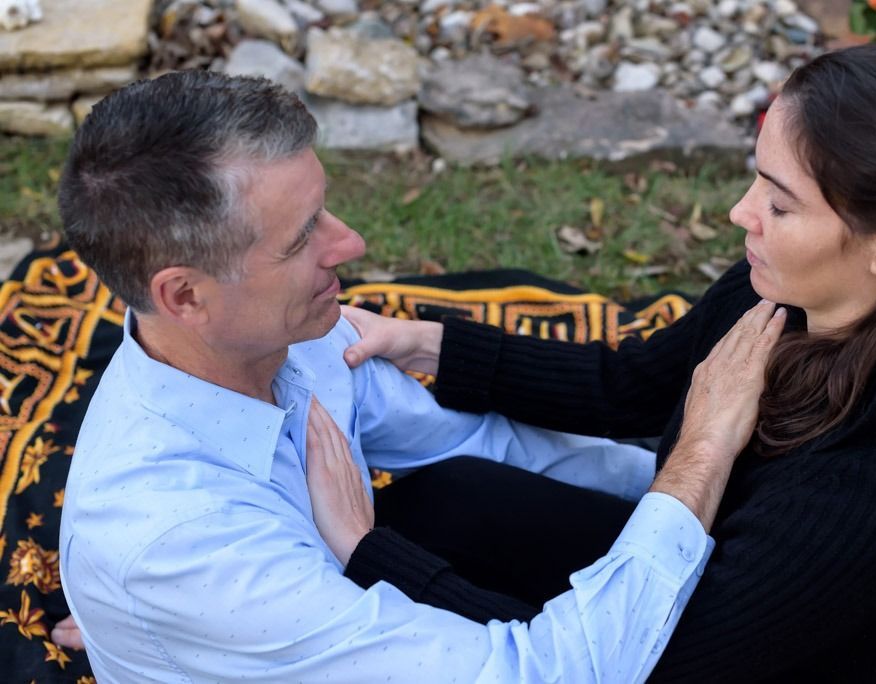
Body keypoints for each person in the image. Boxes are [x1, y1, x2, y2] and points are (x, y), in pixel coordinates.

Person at [54, 70, 786, 682]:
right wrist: (700, 457)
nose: (352, 244)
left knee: (460, 494)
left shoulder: (292, 336)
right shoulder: (184, 548)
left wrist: (681, 490)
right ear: (185, 297)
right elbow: (547, 673)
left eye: (323, 210)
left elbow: (480, 444)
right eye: (303, 238)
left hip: (281, 604)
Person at [337, 43, 876, 682]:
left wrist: (372, 558)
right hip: (696, 576)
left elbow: (646, 667)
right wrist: (427, 343)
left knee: (397, 589)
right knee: (445, 501)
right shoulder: (776, 297)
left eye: (780, 205)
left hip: (704, 658)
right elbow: (627, 385)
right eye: (757, 182)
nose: (739, 213)